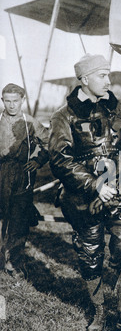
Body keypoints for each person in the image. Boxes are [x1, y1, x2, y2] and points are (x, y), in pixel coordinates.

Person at [48, 54, 121, 331]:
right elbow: (60, 160)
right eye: (102, 75)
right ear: (84, 80)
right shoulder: (63, 116)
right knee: (90, 255)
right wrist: (94, 184)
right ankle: (99, 312)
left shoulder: (119, 109)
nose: (109, 81)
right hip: (84, 198)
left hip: (120, 195)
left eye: (109, 75)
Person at [0, 83, 49, 276]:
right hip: (0, 172)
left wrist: (37, 161)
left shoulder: (31, 123)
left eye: (15, 101)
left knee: (19, 220)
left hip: (22, 175)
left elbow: (48, 143)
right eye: (7, 101)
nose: (12, 105)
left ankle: (14, 263)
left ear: (22, 100)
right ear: (2, 101)